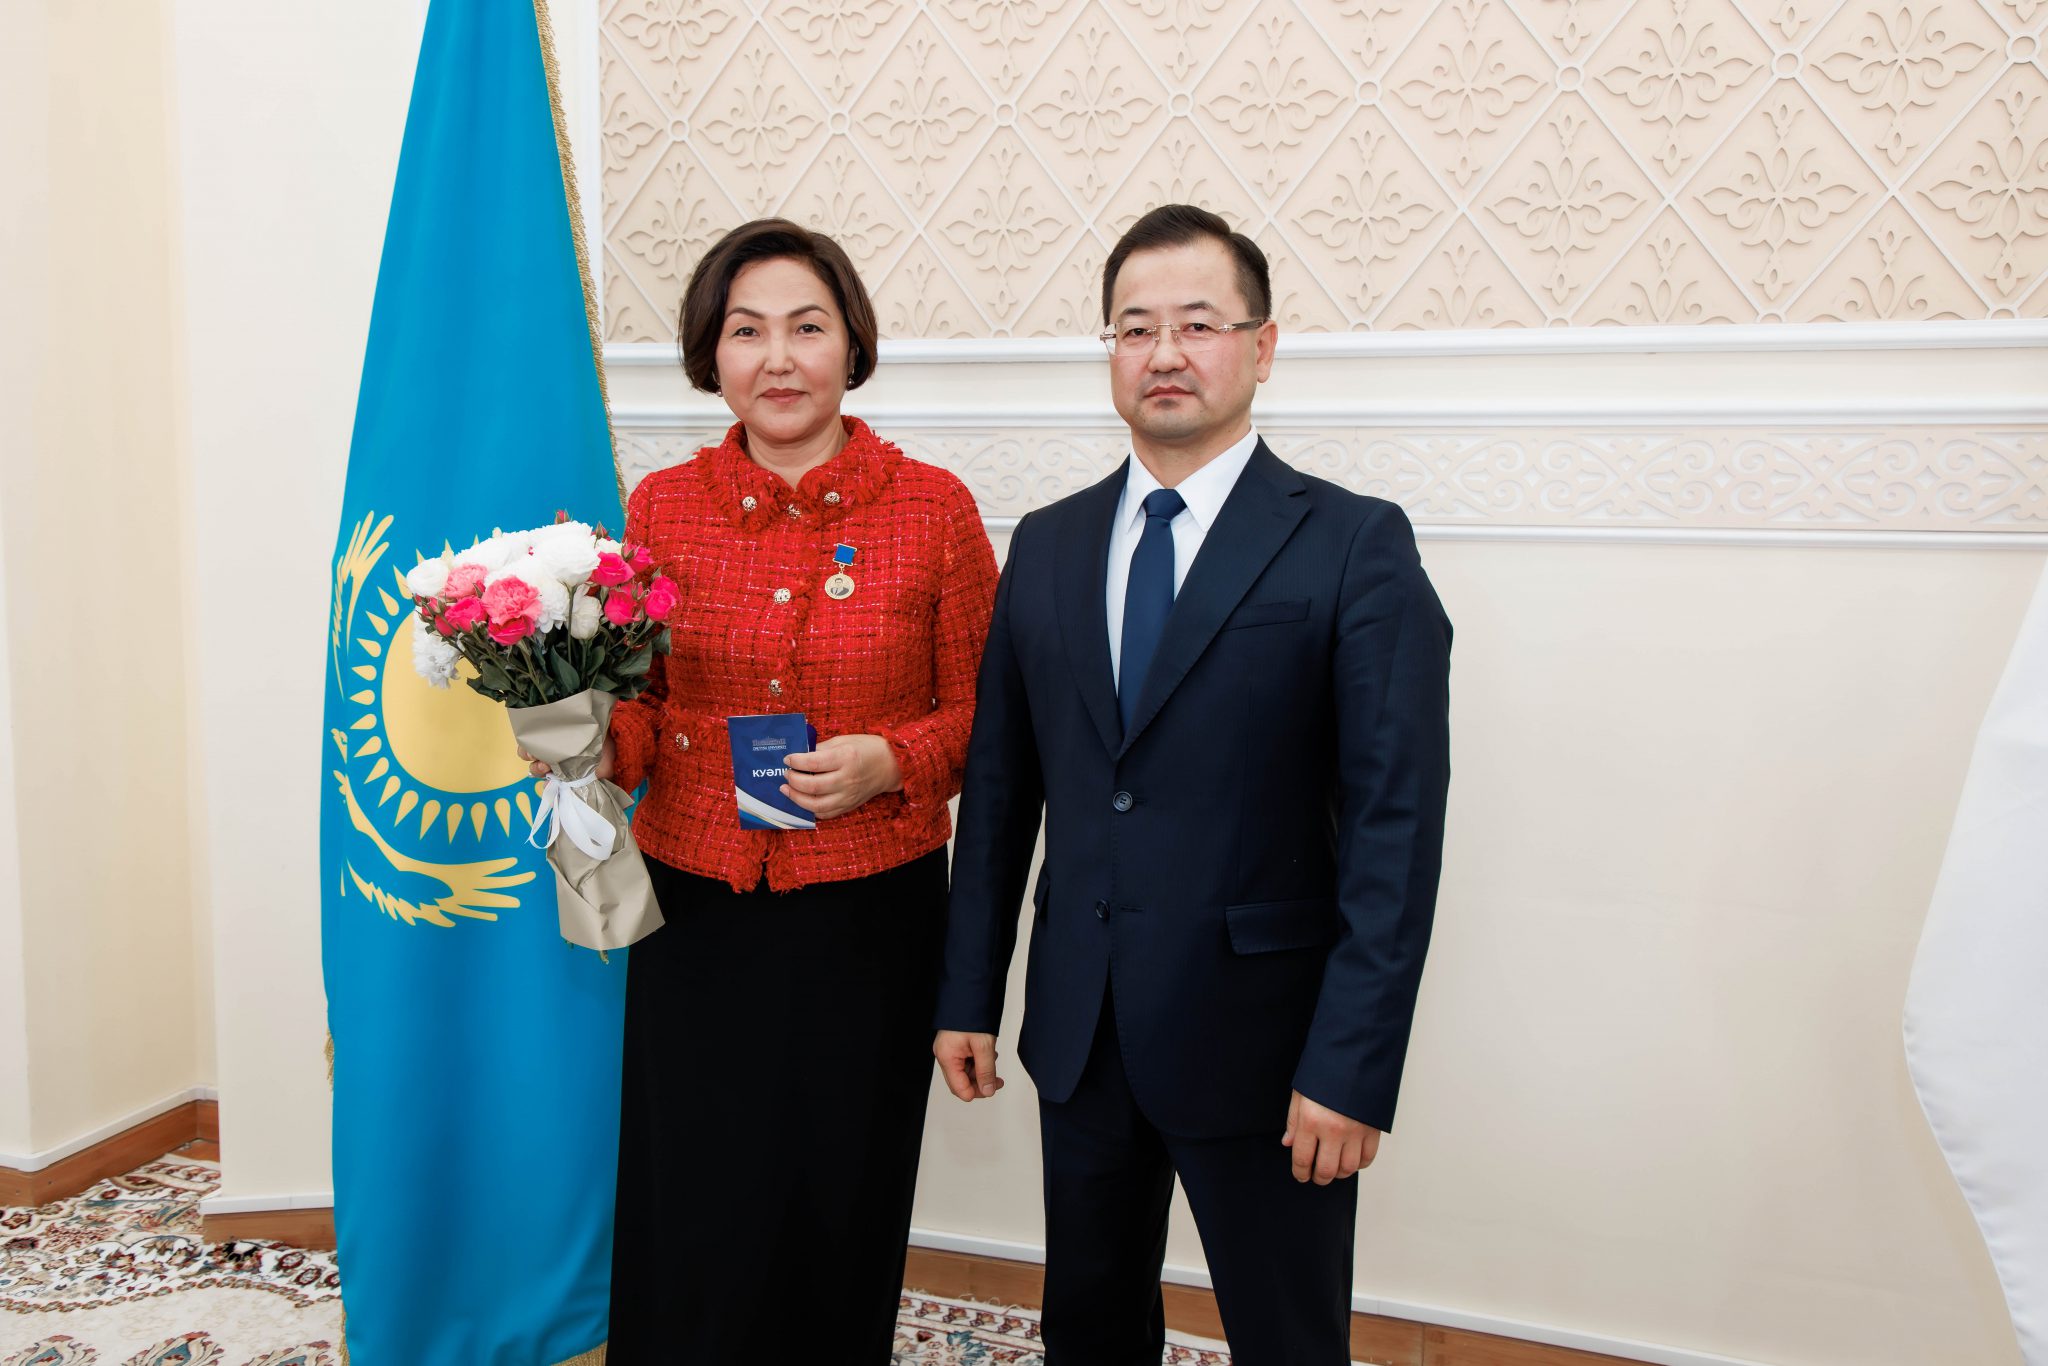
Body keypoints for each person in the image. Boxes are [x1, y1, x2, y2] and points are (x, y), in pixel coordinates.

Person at [932, 204, 1452, 1365]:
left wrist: (1350, 1065)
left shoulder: (1353, 543)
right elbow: (1002, 790)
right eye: (1134, 328)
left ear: (1260, 347)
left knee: (1285, 1337)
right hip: (1081, 1030)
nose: (1163, 352)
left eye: (1197, 324)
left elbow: (1395, 828)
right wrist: (967, 991)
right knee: (1087, 1327)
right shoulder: (1048, 545)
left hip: (1270, 1050)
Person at [525, 219, 998, 1360]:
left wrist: (894, 761)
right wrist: (581, 742)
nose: (777, 359)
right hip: (697, 906)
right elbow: (643, 703)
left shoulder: (932, 508)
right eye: (747, 331)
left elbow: (990, 719)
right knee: (694, 1192)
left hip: (869, 912)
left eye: (806, 327)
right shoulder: (663, 508)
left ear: (851, 345)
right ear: (712, 353)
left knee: (841, 1185)